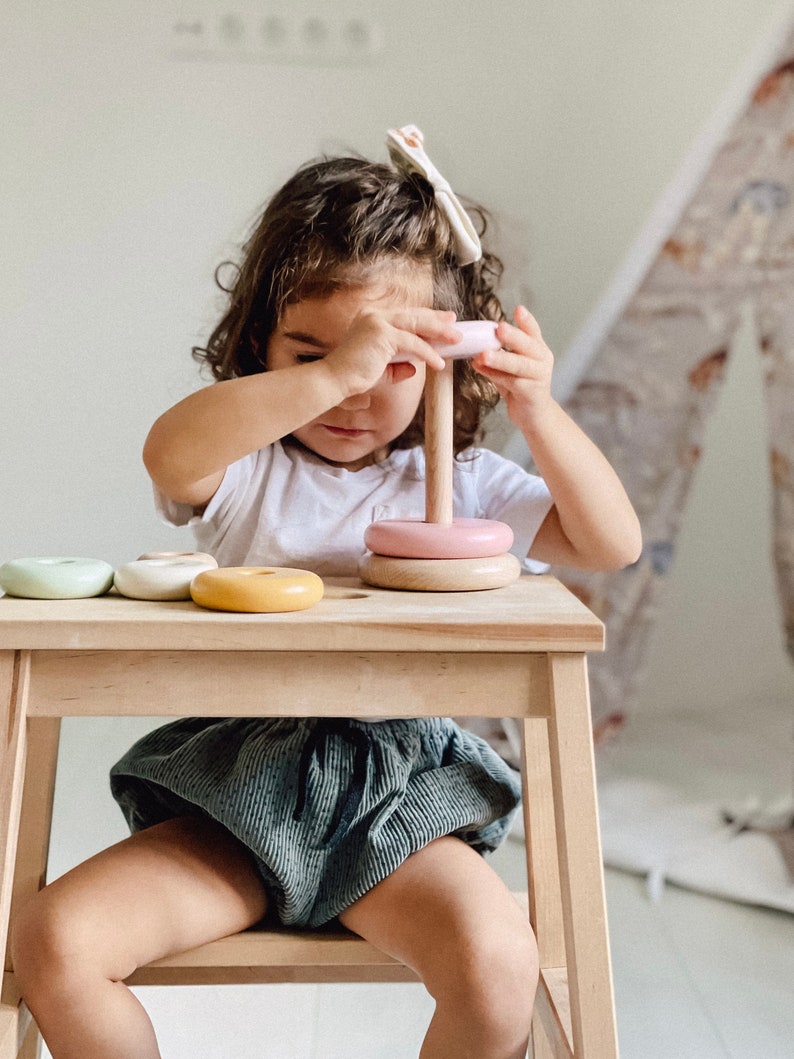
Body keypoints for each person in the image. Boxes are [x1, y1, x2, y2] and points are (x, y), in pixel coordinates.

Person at [11, 127, 641, 1059]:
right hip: (239, 791)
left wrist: (538, 409)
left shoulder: (459, 484)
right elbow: (170, 454)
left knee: (501, 965)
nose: (350, 393)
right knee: (55, 941)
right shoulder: (251, 470)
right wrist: (335, 371)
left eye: (389, 365)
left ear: (448, 360)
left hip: (400, 803)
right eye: (308, 353)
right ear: (258, 345)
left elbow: (609, 543)